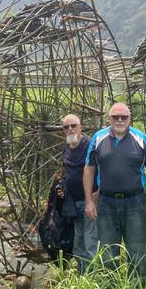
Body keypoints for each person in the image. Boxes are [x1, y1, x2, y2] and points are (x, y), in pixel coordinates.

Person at [83, 103, 146, 289]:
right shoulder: (98, 138)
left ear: (129, 118)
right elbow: (88, 169)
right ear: (108, 118)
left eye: (123, 117)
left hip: (135, 202)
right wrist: (89, 202)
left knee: (136, 249)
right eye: (115, 117)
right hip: (106, 202)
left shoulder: (140, 138)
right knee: (108, 250)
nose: (119, 120)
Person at [60, 114, 98, 274]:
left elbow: (101, 170)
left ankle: (95, 278)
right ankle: (83, 275)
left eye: (73, 125)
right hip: (73, 203)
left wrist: (96, 195)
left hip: (90, 201)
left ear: (80, 127)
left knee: (90, 240)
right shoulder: (66, 147)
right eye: (66, 127)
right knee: (78, 241)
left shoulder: (90, 145)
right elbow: (66, 172)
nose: (70, 129)